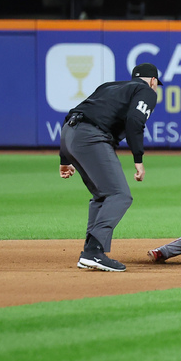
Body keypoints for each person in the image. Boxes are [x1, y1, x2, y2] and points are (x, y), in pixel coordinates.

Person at [59, 63, 161, 272]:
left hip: (69, 133)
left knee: (102, 195)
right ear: (152, 81)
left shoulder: (109, 86)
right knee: (119, 195)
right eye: (157, 83)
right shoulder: (146, 91)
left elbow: (72, 115)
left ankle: (91, 252)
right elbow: (135, 120)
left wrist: (64, 158)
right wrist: (138, 158)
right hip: (91, 137)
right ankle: (93, 252)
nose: (156, 87)